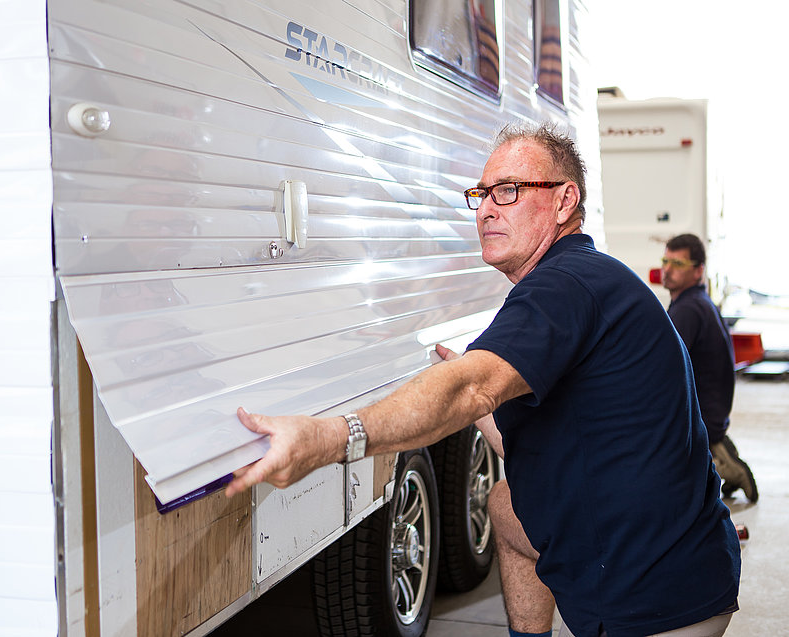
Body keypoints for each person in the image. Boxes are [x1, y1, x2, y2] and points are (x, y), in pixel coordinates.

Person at [225, 123, 740, 637]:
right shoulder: (579, 278)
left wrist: (329, 437)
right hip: (656, 558)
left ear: (565, 201)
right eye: (482, 194)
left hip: (658, 601)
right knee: (505, 504)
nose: (488, 208)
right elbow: (524, 435)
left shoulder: (566, 285)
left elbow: (470, 387)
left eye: (510, 191)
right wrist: (468, 393)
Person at [662, 233, 758, 502]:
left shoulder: (689, 309)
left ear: (698, 271)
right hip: (713, 414)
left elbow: (665, 365)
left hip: (702, 420)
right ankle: (719, 454)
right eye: (665, 261)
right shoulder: (698, 302)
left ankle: (720, 460)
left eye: (677, 264)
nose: (667, 270)